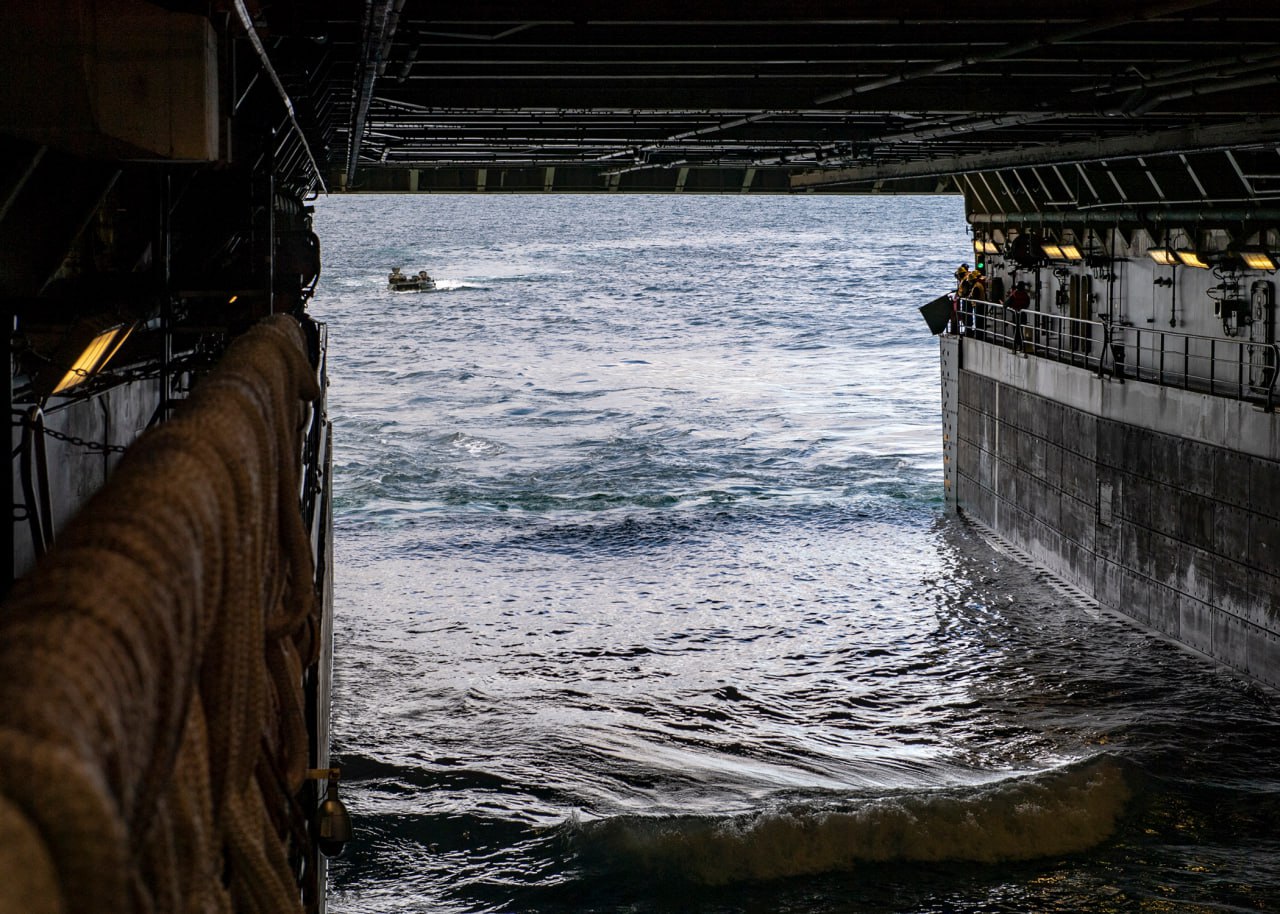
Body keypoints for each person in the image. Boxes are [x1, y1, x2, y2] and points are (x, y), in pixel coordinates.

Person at [1004, 280, 1030, 351]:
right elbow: (1027, 304)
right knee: (1021, 330)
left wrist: (1008, 307)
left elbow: (1006, 304)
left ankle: (1017, 345)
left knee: (1016, 331)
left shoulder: (1014, 294)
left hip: (1016, 315)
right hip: (1023, 315)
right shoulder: (1025, 295)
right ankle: (1022, 345)